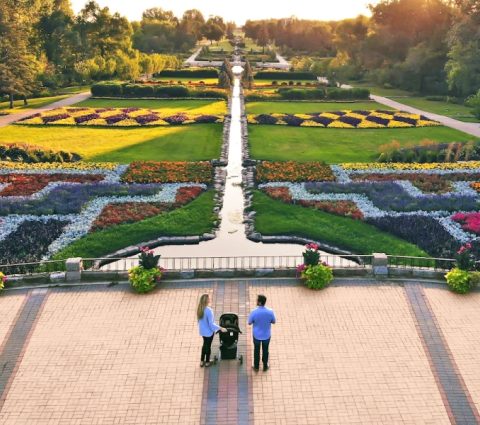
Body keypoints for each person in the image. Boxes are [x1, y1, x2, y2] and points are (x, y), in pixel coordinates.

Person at [197, 294, 226, 367]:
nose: (210, 299)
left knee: (204, 345)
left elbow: (199, 321)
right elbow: (211, 324)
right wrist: (220, 328)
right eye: (209, 298)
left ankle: (202, 361)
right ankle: (207, 362)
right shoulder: (209, 311)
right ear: (207, 301)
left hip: (202, 331)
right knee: (208, 346)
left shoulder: (199, 309)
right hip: (208, 332)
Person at [248, 294, 276, 372]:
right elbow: (273, 321)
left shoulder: (254, 312)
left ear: (260, 302)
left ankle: (256, 366)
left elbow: (249, 322)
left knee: (256, 350)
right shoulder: (270, 311)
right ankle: (265, 366)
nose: (256, 301)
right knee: (265, 350)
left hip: (256, 335)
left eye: (257, 300)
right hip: (266, 335)